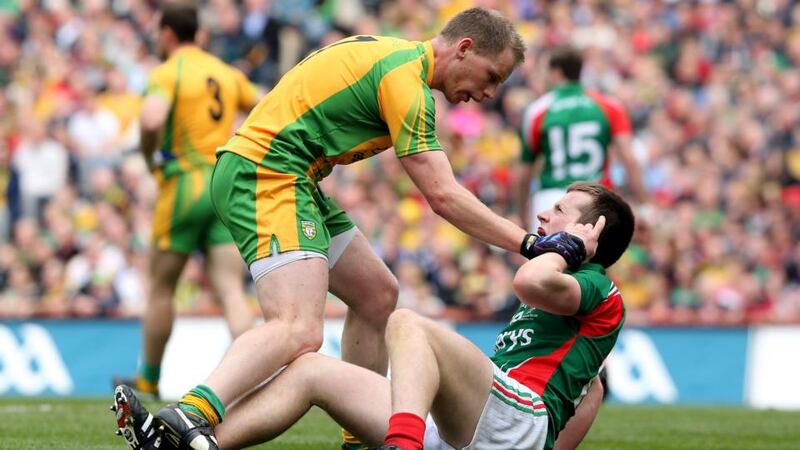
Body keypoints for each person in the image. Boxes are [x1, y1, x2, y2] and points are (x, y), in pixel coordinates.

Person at [113, 7, 549, 450]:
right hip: (269, 172)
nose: (491, 93)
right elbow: (443, 195)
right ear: (464, 48)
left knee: (377, 294)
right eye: (492, 76)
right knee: (298, 327)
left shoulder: (396, 57)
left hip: (286, 173)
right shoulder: (407, 82)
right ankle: (187, 415)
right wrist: (528, 242)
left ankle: (358, 439)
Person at [112, 181, 634, 450]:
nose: (545, 215)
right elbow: (588, 395)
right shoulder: (575, 301)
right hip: (475, 428)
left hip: (509, 423)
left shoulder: (596, 284)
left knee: (405, 322)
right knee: (310, 369)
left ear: (592, 234)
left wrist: (565, 248)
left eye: (562, 213)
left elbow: (528, 278)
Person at [113, 4, 259, 399]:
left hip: (184, 185)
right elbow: (263, 106)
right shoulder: (225, 72)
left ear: (166, 34)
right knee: (230, 286)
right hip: (223, 184)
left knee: (161, 287)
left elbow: (150, 119)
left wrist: (149, 157)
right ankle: (253, 376)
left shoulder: (168, 72)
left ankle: (148, 380)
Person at [516, 45, 645, 231]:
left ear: (556, 73)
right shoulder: (608, 105)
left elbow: (523, 172)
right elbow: (630, 159)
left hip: (552, 199)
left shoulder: (537, 111)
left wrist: (522, 214)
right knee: (599, 259)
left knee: (547, 259)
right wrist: (644, 204)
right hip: (598, 200)